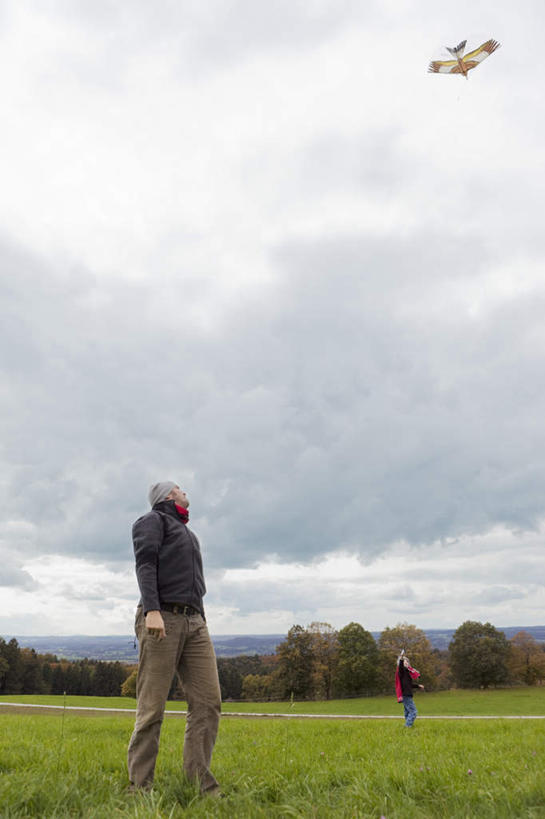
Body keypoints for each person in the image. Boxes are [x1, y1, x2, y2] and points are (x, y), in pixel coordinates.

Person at [127, 481, 222, 795]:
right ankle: (140, 787)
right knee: (152, 706)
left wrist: (201, 617)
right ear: (168, 495)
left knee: (208, 702)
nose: (184, 490)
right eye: (179, 487)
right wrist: (152, 609)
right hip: (162, 617)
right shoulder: (152, 521)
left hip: (194, 621)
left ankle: (199, 784)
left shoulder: (188, 533)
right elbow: (146, 563)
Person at [395, 652, 424, 727]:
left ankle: (408, 726)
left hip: (408, 694)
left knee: (407, 712)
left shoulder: (408, 673)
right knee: (413, 712)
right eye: (405, 661)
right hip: (405, 695)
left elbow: (409, 685)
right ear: (401, 663)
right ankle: (407, 726)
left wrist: (418, 686)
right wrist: (401, 658)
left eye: (408, 662)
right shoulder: (401, 672)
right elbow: (401, 667)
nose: (407, 663)